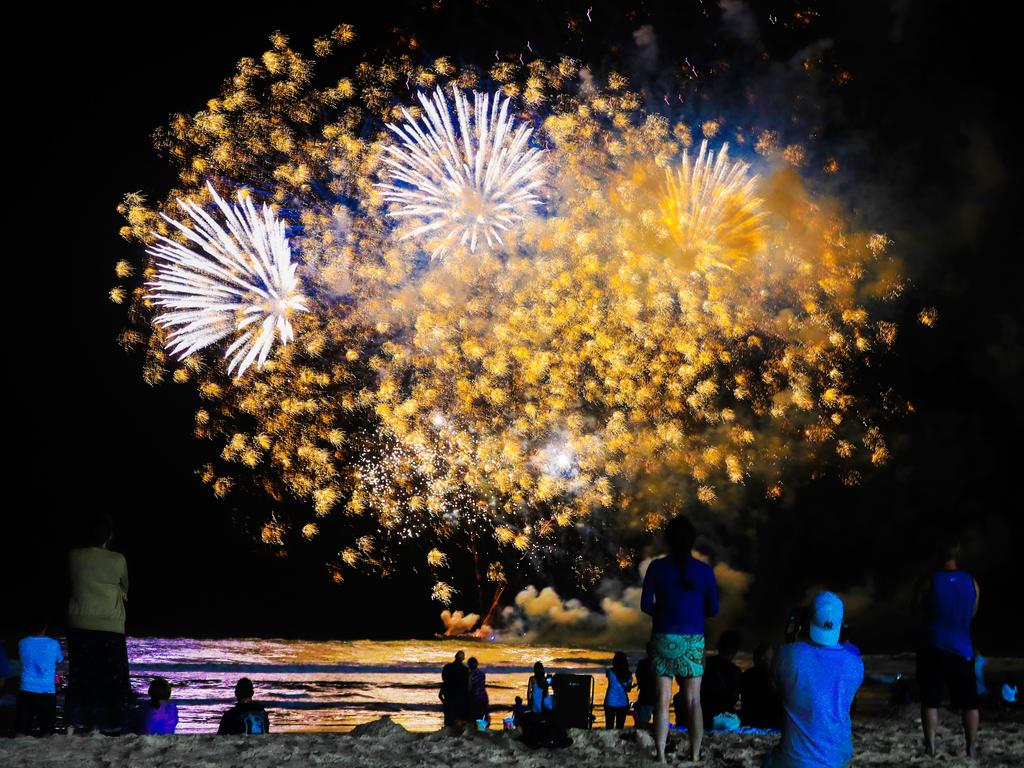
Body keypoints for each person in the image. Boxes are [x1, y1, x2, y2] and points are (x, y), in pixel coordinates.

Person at [640, 514, 719, 763]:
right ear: (692, 540)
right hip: (693, 640)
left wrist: (663, 614)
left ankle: (661, 755)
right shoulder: (704, 571)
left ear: (668, 540)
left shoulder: (656, 567)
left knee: (662, 699)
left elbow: (645, 605)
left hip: (663, 637)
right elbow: (713, 609)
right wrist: (693, 612)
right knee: (694, 700)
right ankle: (695, 755)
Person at [763, 592, 864, 768]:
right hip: (839, 759)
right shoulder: (855, 664)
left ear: (806, 622)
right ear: (840, 625)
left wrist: (791, 637)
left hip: (795, 761)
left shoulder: (787, 655)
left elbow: (774, 690)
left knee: (767, 761)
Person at [914, 537, 980, 757]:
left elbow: (916, 609)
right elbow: (972, 613)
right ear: (957, 556)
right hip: (962, 649)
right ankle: (970, 748)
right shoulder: (972, 582)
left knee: (931, 701)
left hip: (933, 646)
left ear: (938, 555)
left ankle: (931, 747)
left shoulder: (929, 581)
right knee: (970, 704)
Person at [66, 513, 131, 734]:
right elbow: (125, 586)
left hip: (79, 622)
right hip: (110, 625)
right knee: (111, 677)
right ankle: (111, 722)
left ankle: (77, 720)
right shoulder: (118, 559)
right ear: (109, 536)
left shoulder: (74, 556)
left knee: (81, 673)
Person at [15, 614, 63, 736]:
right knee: (48, 733)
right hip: (47, 691)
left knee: (21, 732)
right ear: (45, 627)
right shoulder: (53, 644)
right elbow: (59, 660)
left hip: (26, 690)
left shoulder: (22, 643)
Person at [698, 630, 741, 728]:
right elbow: (734, 698)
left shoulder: (706, 663)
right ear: (734, 651)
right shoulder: (734, 670)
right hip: (721, 713)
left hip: (702, 711)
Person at [739, 643, 783, 729]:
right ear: (764, 658)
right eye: (771, 658)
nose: (773, 659)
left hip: (750, 722)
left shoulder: (745, 676)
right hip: (770, 722)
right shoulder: (772, 676)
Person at [603, 651, 633, 729]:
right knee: (620, 728)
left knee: (609, 727)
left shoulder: (610, 672)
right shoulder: (629, 675)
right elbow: (628, 690)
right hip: (623, 703)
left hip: (610, 702)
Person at [439, 650, 469, 727]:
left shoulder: (447, 667)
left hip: (448, 694)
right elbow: (466, 684)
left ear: (455, 657)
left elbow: (444, 679)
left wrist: (444, 701)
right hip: (459, 696)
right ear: (463, 659)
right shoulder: (465, 669)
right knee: (459, 720)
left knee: (448, 721)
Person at [633, 656, 656, 729]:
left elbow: (638, 676)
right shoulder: (660, 662)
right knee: (659, 722)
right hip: (657, 696)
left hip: (645, 696)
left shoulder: (642, 663)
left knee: (643, 722)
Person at [467, 656, 489, 725]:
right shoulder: (482, 673)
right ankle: (482, 732)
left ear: (469, 665)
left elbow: (469, 687)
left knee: (474, 718)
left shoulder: (470, 675)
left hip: (475, 698)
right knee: (482, 717)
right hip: (483, 697)